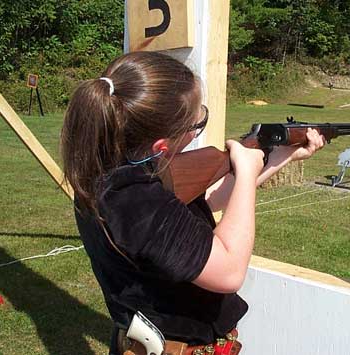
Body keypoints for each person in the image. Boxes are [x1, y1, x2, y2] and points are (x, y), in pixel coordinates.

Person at [60, 51, 325, 355]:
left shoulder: (114, 171)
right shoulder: (137, 201)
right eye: (195, 125)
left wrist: (279, 157)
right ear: (162, 144)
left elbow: (209, 201)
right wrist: (247, 166)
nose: (197, 130)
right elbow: (229, 271)